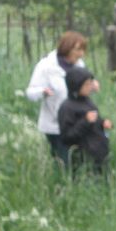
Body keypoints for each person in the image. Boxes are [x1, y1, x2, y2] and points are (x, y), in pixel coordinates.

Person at [25, 31, 88, 165]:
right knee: (63, 162)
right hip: (55, 125)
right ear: (67, 48)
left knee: (80, 160)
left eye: (83, 50)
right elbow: (31, 92)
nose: (81, 54)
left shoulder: (80, 65)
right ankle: (61, 183)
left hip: (77, 123)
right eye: (78, 49)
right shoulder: (46, 66)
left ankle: (79, 184)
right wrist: (43, 92)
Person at [57, 66, 112, 175]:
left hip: (99, 154)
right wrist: (85, 121)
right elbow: (67, 137)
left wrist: (103, 123)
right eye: (86, 84)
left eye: (90, 83)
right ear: (76, 85)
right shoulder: (67, 107)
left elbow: (94, 122)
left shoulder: (87, 101)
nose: (90, 87)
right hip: (83, 159)